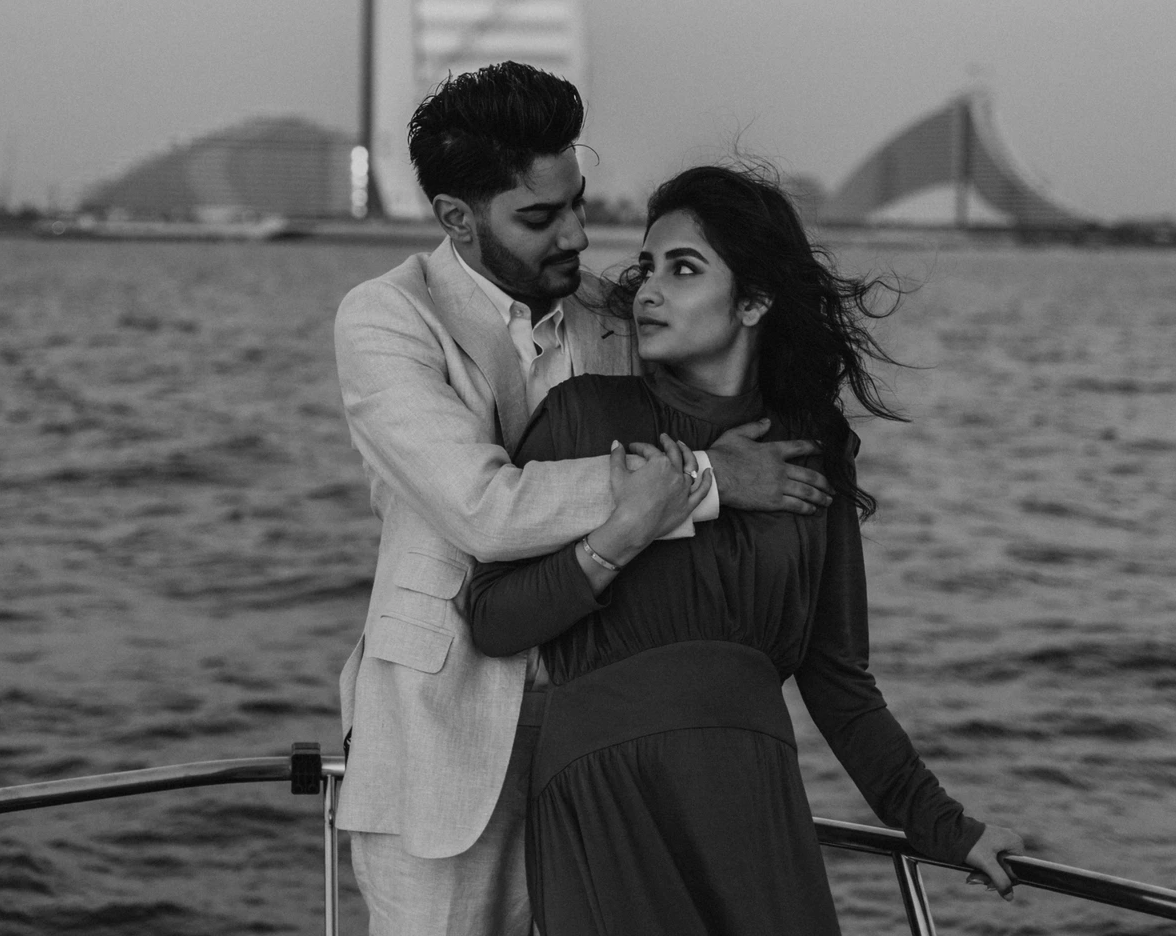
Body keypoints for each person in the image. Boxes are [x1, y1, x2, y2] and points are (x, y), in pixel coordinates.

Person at [334, 67, 838, 936]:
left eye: (577, 202)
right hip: (442, 727)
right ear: (457, 218)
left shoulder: (614, 313)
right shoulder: (384, 320)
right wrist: (709, 482)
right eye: (538, 218)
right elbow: (482, 509)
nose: (576, 234)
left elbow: (728, 375)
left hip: (609, 738)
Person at [467, 163, 1025, 936]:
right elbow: (492, 619)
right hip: (603, 791)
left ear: (755, 300)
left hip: (749, 798)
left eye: (684, 268)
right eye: (648, 267)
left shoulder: (812, 447)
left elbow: (837, 678)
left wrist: (943, 825)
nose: (650, 291)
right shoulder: (585, 416)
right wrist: (621, 533)